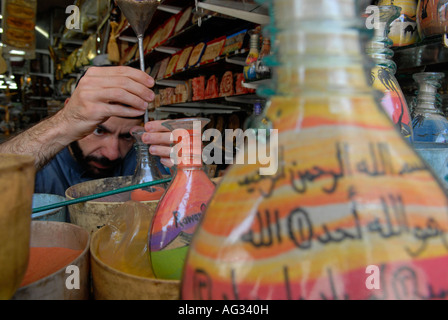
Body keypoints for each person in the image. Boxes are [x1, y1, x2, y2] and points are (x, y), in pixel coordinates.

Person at [0, 66, 172, 196]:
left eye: (126, 136)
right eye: (98, 131)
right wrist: (64, 120)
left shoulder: (138, 160)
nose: (112, 153)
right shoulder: (40, 162)